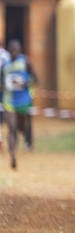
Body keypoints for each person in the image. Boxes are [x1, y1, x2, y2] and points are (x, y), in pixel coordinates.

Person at [1, 40, 38, 169]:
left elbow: (36, 78)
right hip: (9, 101)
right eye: (12, 50)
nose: (14, 52)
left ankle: (27, 138)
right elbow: (1, 82)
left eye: (16, 49)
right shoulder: (5, 66)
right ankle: (13, 155)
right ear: (9, 51)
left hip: (24, 101)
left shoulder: (26, 62)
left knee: (21, 127)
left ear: (20, 50)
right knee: (11, 128)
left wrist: (25, 83)